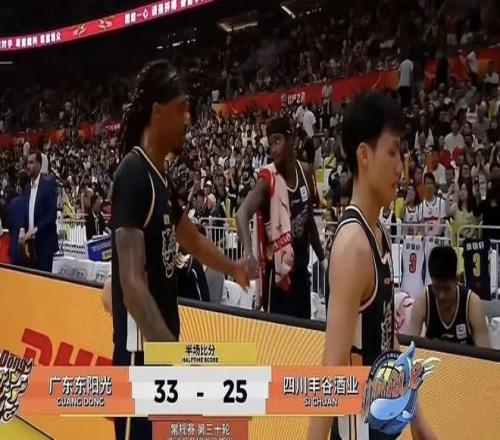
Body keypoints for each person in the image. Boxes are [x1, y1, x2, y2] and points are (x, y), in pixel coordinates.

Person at [111, 59, 249, 440]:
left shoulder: (160, 178)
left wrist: (234, 267)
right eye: (181, 108)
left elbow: (193, 240)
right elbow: (132, 284)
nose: (188, 118)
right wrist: (170, 354)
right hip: (141, 357)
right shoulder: (132, 174)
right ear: (157, 112)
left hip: (159, 354)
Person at [307, 93, 435, 440]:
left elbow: (388, 341)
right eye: (392, 153)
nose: (400, 168)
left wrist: (419, 423)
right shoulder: (353, 246)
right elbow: (332, 367)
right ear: (364, 155)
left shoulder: (378, 232)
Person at [236, 117, 326, 319]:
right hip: (277, 278)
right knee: (277, 335)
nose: (273, 149)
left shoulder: (306, 171)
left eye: (277, 141)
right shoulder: (267, 179)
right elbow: (241, 214)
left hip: (300, 272)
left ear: (291, 139)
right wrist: (248, 253)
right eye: (270, 144)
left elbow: (308, 220)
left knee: (302, 333)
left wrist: (323, 259)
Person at [407, 246, 490, 347]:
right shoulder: (423, 300)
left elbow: (485, 351)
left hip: (464, 357)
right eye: (437, 288)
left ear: (457, 279)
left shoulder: (472, 304)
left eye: (446, 288)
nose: (441, 295)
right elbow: (407, 346)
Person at [19, 150, 58, 272]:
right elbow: (25, 213)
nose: (28, 166)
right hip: (30, 245)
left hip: (45, 244)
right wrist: (22, 230)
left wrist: (35, 230)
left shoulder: (48, 185)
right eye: (27, 163)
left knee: (44, 279)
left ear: (39, 165)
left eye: (31, 162)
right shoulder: (26, 188)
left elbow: (52, 215)